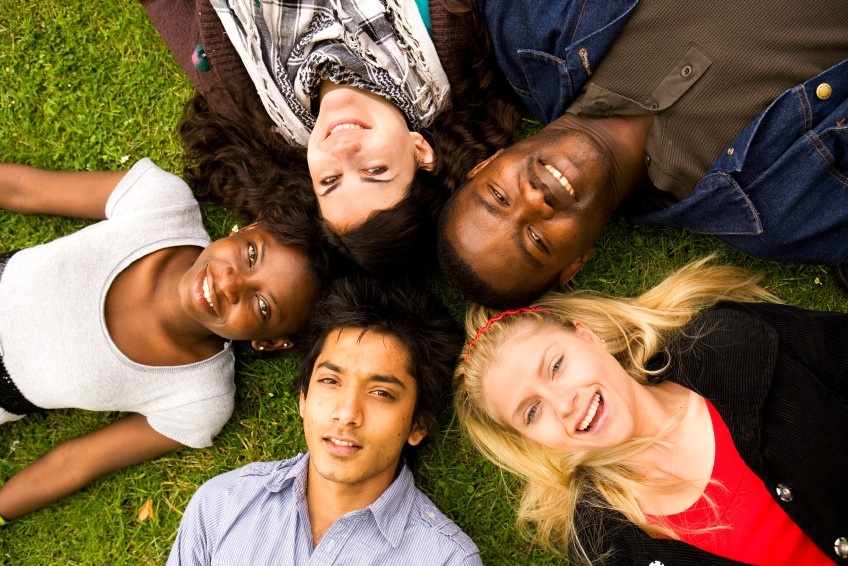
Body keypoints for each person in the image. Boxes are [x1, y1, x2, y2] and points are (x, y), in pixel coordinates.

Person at [438, 0, 848, 307]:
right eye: (537, 240)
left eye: (499, 196)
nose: (533, 199)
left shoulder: (531, 22)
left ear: (485, 164)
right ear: (577, 262)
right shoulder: (777, 208)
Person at [452, 258, 848, 564]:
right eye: (531, 413)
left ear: (588, 338)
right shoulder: (604, 549)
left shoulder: (731, 342)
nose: (563, 403)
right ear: (530, 441)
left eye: (556, 366)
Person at [0, 158, 325, 522]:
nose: (230, 283)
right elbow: (24, 190)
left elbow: (74, 462)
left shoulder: (199, 400)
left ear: (272, 342)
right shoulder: (162, 204)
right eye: (252, 254)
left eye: (262, 305)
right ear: (249, 228)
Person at [142, 0, 520, 273]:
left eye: (330, 180)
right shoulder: (445, 39)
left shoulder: (244, 98)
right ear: (420, 150)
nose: (342, 149)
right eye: (375, 170)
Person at [167, 275, 482, 565]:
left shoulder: (447, 560)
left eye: (381, 393)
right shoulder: (221, 505)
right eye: (330, 381)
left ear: (419, 424)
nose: (346, 414)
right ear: (303, 398)